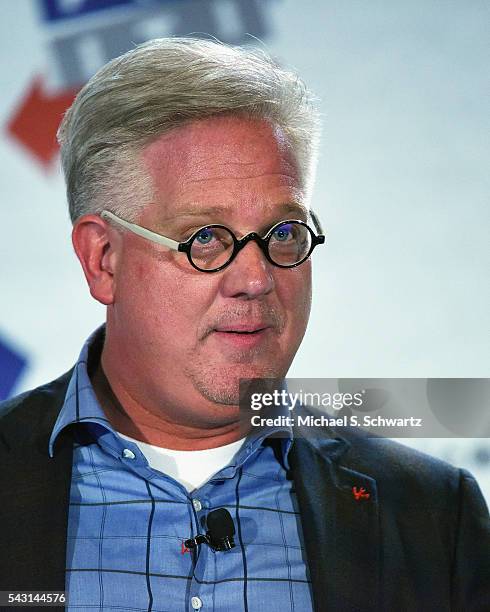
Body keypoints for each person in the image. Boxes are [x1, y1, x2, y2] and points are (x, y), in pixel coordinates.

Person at [0, 38, 488, 612]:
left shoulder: (433, 514)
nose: (255, 278)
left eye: (284, 234)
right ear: (103, 258)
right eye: (205, 238)